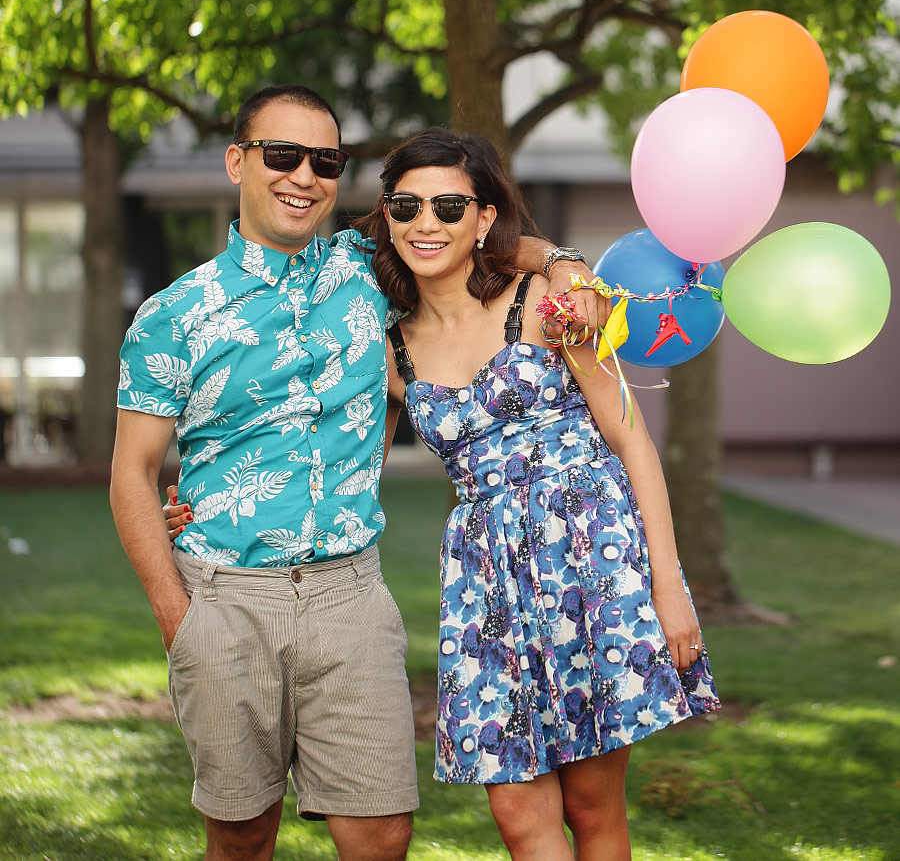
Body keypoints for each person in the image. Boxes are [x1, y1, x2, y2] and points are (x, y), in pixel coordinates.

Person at [110, 85, 605, 861]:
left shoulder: (367, 264)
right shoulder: (173, 317)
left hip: (350, 597)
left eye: (325, 160)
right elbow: (131, 474)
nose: (303, 175)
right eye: (283, 155)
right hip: (225, 600)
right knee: (241, 836)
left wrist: (566, 262)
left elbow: (479, 232)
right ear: (238, 162)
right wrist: (182, 624)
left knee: (381, 834)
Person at [356, 128, 720, 861]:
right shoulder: (388, 349)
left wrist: (669, 584)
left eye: (450, 205)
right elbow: (342, 465)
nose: (427, 222)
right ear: (388, 217)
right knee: (520, 819)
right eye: (407, 205)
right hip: (484, 584)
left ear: (484, 218)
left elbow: (631, 441)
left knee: (592, 809)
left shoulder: (549, 300)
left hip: (590, 559)